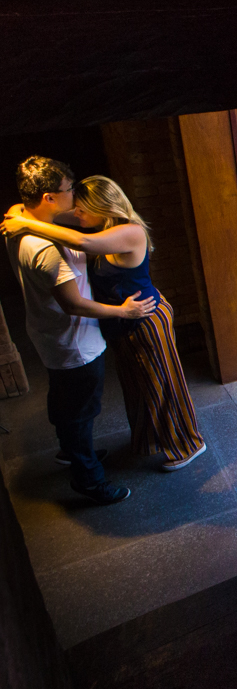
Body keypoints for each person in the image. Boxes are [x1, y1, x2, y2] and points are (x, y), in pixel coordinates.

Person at [3, 173, 207, 473]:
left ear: (103, 207)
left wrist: (25, 224)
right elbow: (49, 214)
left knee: (163, 383)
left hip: (145, 319)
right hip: (124, 319)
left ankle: (188, 443)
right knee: (139, 386)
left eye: (83, 209)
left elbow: (82, 242)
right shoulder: (99, 226)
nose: (77, 214)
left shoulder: (130, 231)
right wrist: (19, 211)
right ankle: (151, 440)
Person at [4, 157, 154, 505]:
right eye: (68, 190)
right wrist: (122, 311)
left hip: (49, 336)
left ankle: (70, 451)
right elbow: (74, 304)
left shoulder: (21, 221)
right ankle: (88, 479)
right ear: (48, 198)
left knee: (64, 402)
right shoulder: (42, 247)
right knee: (81, 413)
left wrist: (21, 218)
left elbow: (74, 235)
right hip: (75, 343)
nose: (75, 196)